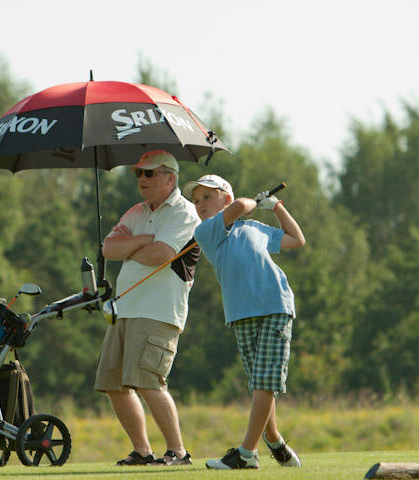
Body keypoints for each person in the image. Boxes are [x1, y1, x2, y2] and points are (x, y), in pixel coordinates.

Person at [182, 174, 306, 470]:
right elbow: (239, 205)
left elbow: (296, 239)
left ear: (223, 197)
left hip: (275, 304)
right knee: (260, 384)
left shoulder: (254, 228)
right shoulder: (206, 232)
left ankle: (247, 453)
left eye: (206, 197)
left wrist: (275, 207)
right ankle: (274, 439)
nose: (199, 205)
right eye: (196, 200)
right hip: (240, 313)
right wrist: (251, 204)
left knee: (264, 382)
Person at [94, 150, 200, 466]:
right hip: (124, 310)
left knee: (148, 381)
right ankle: (142, 451)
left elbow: (162, 254)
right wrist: (143, 240)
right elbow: (108, 248)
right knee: (113, 384)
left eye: (149, 173)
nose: (142, 179)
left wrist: (132, 247)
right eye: (138, 174)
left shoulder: (184, 212)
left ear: (171, 177)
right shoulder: (137, 212)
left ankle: (178, 452)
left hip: (158, 311)